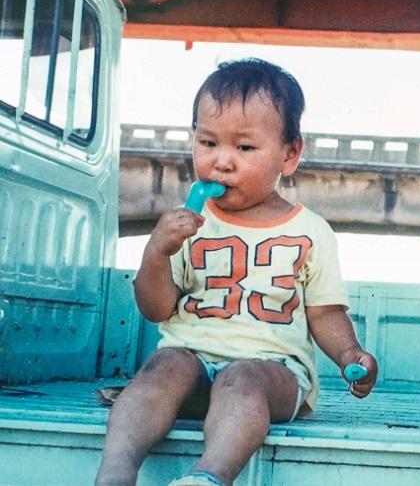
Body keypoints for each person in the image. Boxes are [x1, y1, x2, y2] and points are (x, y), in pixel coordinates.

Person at [95, 58, 378, 486]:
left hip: (272, 373)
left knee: (244, 376)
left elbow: (324, 313)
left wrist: (349, 354)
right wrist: (156, 252)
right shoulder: (185, 224)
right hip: (190, 365)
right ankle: (114, 475)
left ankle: (208, 478)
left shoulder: (310, 231)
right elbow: (156, 309)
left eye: (244, 148)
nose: (222, 162)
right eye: (208, 142)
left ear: (290, 154)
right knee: (163, 364)